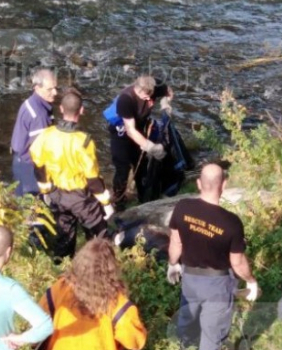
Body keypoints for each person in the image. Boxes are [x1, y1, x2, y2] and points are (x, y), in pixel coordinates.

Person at [166, 163, 259, 350]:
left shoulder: (183, 207)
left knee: (187, 320)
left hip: (190, 277)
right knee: (212, 333)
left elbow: (176, 243)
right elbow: (237, 262)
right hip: (217, 283)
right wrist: (251, 281)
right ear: (223, 186)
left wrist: (172, 264)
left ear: (199, 184)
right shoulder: (231, 223)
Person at [29, 90, 112, 260]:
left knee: (64, 230)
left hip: (57, 194)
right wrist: (106, 202)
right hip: (80, 197)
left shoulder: (46, 135)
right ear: (81, 110)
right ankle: (97, 261)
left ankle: (61, 262)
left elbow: (38, 166)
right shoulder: (84, 141)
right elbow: (92, 177)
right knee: (99, 228)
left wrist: (45, 191)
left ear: (61, 108)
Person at [105, 76, 172, 210]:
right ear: (139, 90)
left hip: (140, 130)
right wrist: (151, 147)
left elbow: (168, 91)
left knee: (141, 166)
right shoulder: (126, 99)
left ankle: (143, 198)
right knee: (122, 169)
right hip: (122, 134)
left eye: (151, 95)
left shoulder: (154, 85)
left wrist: (165, 104)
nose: (149, 99)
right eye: (146, 96)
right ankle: (119, 202)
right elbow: (130, 130)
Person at [10, 68, 57, 197]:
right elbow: (40, 152)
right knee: (34, 206)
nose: (55, 92)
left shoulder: (30, 103)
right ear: (37, 87)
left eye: (55, 87)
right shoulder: (39, 115)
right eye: (50, 89)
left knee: (21, 199)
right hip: (29, 167)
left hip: (18, 158)